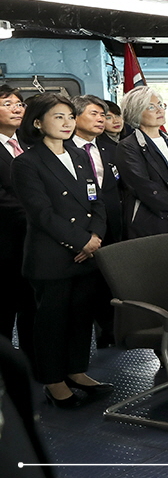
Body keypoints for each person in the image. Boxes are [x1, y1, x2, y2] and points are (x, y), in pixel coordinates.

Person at [11, 93, 111, 409]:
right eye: (58, 117)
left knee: (81, 318)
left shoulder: (79, 155)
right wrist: (80, 241)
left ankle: (76, 371)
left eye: (70, 116)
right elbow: (41, 213)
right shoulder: (26, 162)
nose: (67, 123)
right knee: (52, 323)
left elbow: (97, 200)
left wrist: (95, 235)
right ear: (38, 123)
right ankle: (53, 382)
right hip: (52, 257)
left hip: (86, 251)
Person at [71, 95, 123, 347]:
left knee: (109, 281)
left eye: (103, 115)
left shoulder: (111, 147)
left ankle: (109, 329)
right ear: (75, 116)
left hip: (111, 225)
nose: (101, 119)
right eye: (94, 114)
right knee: (83, 288)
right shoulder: (62, 149)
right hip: (79, 232)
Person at [116, 87, 168, 239]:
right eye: (151, 107)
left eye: (161, 105)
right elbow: (143, 187)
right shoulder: (128, 146)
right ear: (136, 112)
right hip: (155, 220)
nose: (159, 110)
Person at [0, 86, 36, 346]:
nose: (16, 108)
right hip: (5, 242)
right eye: (7, 103)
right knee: (3, 311)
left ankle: (31, 368)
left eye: (19, 104)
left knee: (31, 307)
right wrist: (41, 213)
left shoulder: (26, 145)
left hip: (31, 243)